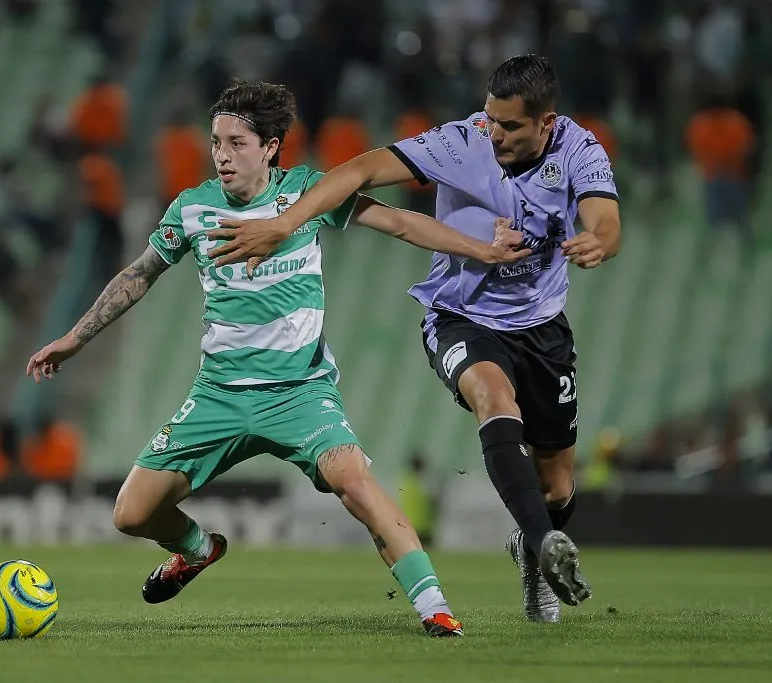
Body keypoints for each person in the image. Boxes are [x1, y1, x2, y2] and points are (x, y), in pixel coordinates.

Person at [25, 81, 531, 638]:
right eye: (215, 141)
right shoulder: (193, 208)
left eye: (236, 142)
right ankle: (198, 549)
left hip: (301, 393)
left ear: (270, 147)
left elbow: (401, 222)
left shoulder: (308, 196)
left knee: (356, 484)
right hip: (218, 393)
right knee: (131, 514)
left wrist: (483, 249)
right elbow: (139, 273)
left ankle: (436, 609)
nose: (221, 154)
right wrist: (75, 337)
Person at [206, 55, 622, 623]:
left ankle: (532, 547)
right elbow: (359, 172)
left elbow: (605, 217)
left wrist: (600, 239)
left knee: (557, 488)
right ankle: (543, 542)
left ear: (546, 122)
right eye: (490, 118)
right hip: (460, 317)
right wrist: (286, 222)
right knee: (494, 401)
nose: (493, 133)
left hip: (543, 328)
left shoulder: (579, 149)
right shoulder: (463, 141)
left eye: (509, 126)